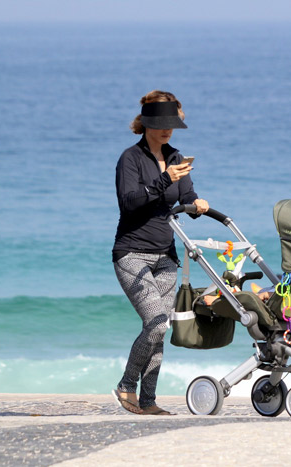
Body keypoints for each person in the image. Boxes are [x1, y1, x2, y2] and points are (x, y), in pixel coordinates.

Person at [111, 90, 209, 415]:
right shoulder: (131, 159)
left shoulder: (178, 157)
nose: (169, 129)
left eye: (174, 123)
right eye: (164, 123)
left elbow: (187, 194)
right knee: (155, 323)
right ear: (148, 122)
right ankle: (126, 386)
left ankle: (149, 401)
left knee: (161, 328)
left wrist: (197, 205)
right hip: (132, 254)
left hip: (166, 256)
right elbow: (130, 202)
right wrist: (165, 179)